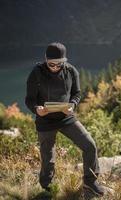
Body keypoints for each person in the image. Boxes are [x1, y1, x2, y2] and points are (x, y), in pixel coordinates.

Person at [25, 42, 104, 197]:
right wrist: (36, 109)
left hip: (66, 117)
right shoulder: (36, 73)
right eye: (51, 64)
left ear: (65, 60)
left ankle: (90, 181)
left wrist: (73, 105)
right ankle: (47, 188)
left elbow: (77, 93)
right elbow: (29, 99)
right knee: (48, 158)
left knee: (89, 145)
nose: (55, 67)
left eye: (59, 64)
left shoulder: (71, 71)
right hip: (45, 121)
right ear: (45, 59)